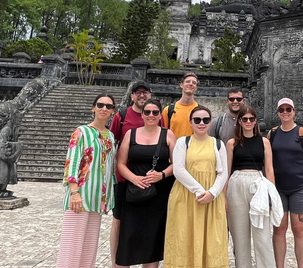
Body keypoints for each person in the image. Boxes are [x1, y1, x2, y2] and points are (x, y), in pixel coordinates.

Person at [164, 105, 229, 268]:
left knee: (211, 239)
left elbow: (223, 173)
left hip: (212, 199)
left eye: (206, 120)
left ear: (210, 122)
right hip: (186, 197)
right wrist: (200, 191)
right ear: (190, 122)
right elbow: (178, 170)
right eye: (197, 120)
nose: (201, 123)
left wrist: (212, 193)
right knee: (183, 237)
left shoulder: (218, 144)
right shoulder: (182, 142)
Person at [56, 94, 116, 268]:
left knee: (89, 249)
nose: (104, 109)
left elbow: (110, 167)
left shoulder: (110, 136)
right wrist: (74, 192)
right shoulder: (81, 132)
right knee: (71, 248)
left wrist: (109, 198)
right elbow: (72, 162)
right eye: (101, 105)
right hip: (80, 196)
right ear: (93, 108)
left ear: (112, 111)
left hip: (96, 199)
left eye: (109, 106)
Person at [116, 99, 176, 268]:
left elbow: (178, 164)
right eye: (147, 112)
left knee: (153, 239)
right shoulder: (131, 134)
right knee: (127, 237)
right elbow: (121, 163)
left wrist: (161, 175)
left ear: (159, 115)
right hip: (134, 192)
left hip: (158, 194)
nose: (151, 115)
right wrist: (133, 178)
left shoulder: (168, 134)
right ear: (141, 115)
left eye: (155, 112)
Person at [109, 80, 162, 267]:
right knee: (119, 221)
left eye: (145, 92)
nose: (141, 95)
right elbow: (110, 142)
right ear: (131, 96)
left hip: (150, 179)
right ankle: (117, 262)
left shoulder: (157, 117)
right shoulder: (122, 116)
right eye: (137, 92)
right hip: (124, 179)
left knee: (149, 224)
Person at [268, 98, 303, 268]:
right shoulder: (272, 133)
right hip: (278, 189)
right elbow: (267, 162)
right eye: (282, 110)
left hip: (300, 187)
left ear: (294, 112)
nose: (285, 113)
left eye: (288, 109)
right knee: (279, 229)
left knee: (299, 230)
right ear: (278, 113)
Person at [226, 106, 280, 268]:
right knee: (240, 236)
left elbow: (269, 169)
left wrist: (272, 194)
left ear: (255, 121)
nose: (248, 122)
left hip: (258, 182)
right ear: (239, 121)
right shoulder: (231, 143)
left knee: (262, 235)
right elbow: (227, 172)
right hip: (237, 183)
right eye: (245, 119)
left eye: (251, 119)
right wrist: (224, 197)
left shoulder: (264, 142)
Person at [164, 72, 200, 139]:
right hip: (174, 148)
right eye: (187, 81)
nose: (191, 84)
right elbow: (163, 134)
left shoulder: (200, 111)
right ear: (181, 85)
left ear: (196, 88)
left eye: (194, 83)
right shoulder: (168, 110)